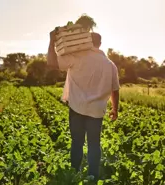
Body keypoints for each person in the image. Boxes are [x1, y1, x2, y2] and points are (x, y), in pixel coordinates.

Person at [46, 29, 120, 182]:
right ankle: (93, 177)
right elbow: (115, 90)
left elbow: (52, 63)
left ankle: (74, 175)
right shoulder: (110, 64)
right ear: (100, 44)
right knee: (94, 144)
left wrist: (52, 40)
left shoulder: (77, 56)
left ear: (85, 41)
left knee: (77, 142)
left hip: (77, 108)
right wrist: (115, 109)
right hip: (97, 111)